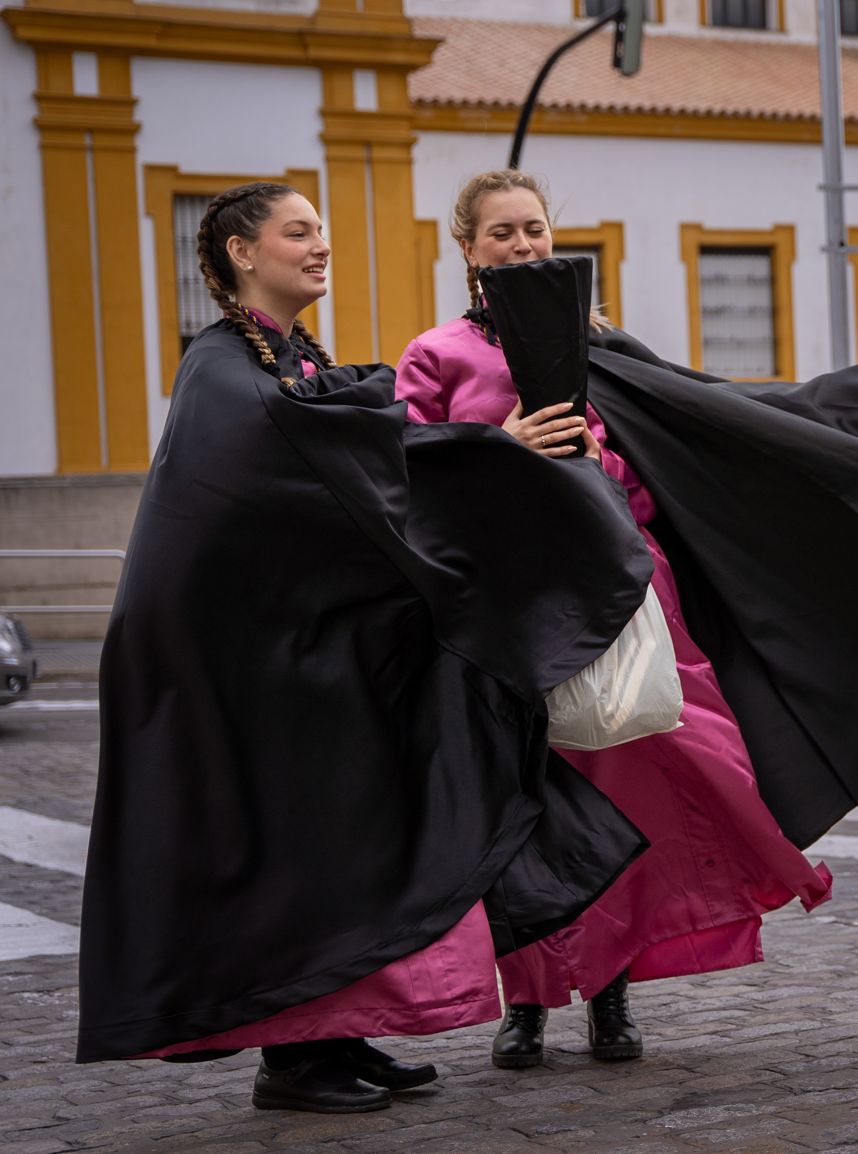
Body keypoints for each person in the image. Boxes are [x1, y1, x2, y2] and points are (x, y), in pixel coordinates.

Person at [78, 182, 652, 1115]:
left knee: (329, 843)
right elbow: (312, 463)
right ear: (238, 254)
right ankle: (293, 1061)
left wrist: (480, 452)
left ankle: (331, 1036)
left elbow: (357, 456)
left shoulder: (287, 355)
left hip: (296, 651)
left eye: (323, 231)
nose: (320, 247)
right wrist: (491, 446)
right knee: (284, 847)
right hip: (232, 661)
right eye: (298, 232)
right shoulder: (222, 368)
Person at [396, 170, 834, 1070]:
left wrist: (600, 458)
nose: (522, 246)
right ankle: (525, 1004)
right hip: (504, 614)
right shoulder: (435, 354)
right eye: (502, 233)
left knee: (629, 795)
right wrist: (498, 448)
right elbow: (401, 475)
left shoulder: (603, 344)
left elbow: (656, 477)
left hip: (617, 599)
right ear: (468, 250)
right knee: (524, 805)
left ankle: (610, 994)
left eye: (535, 230)